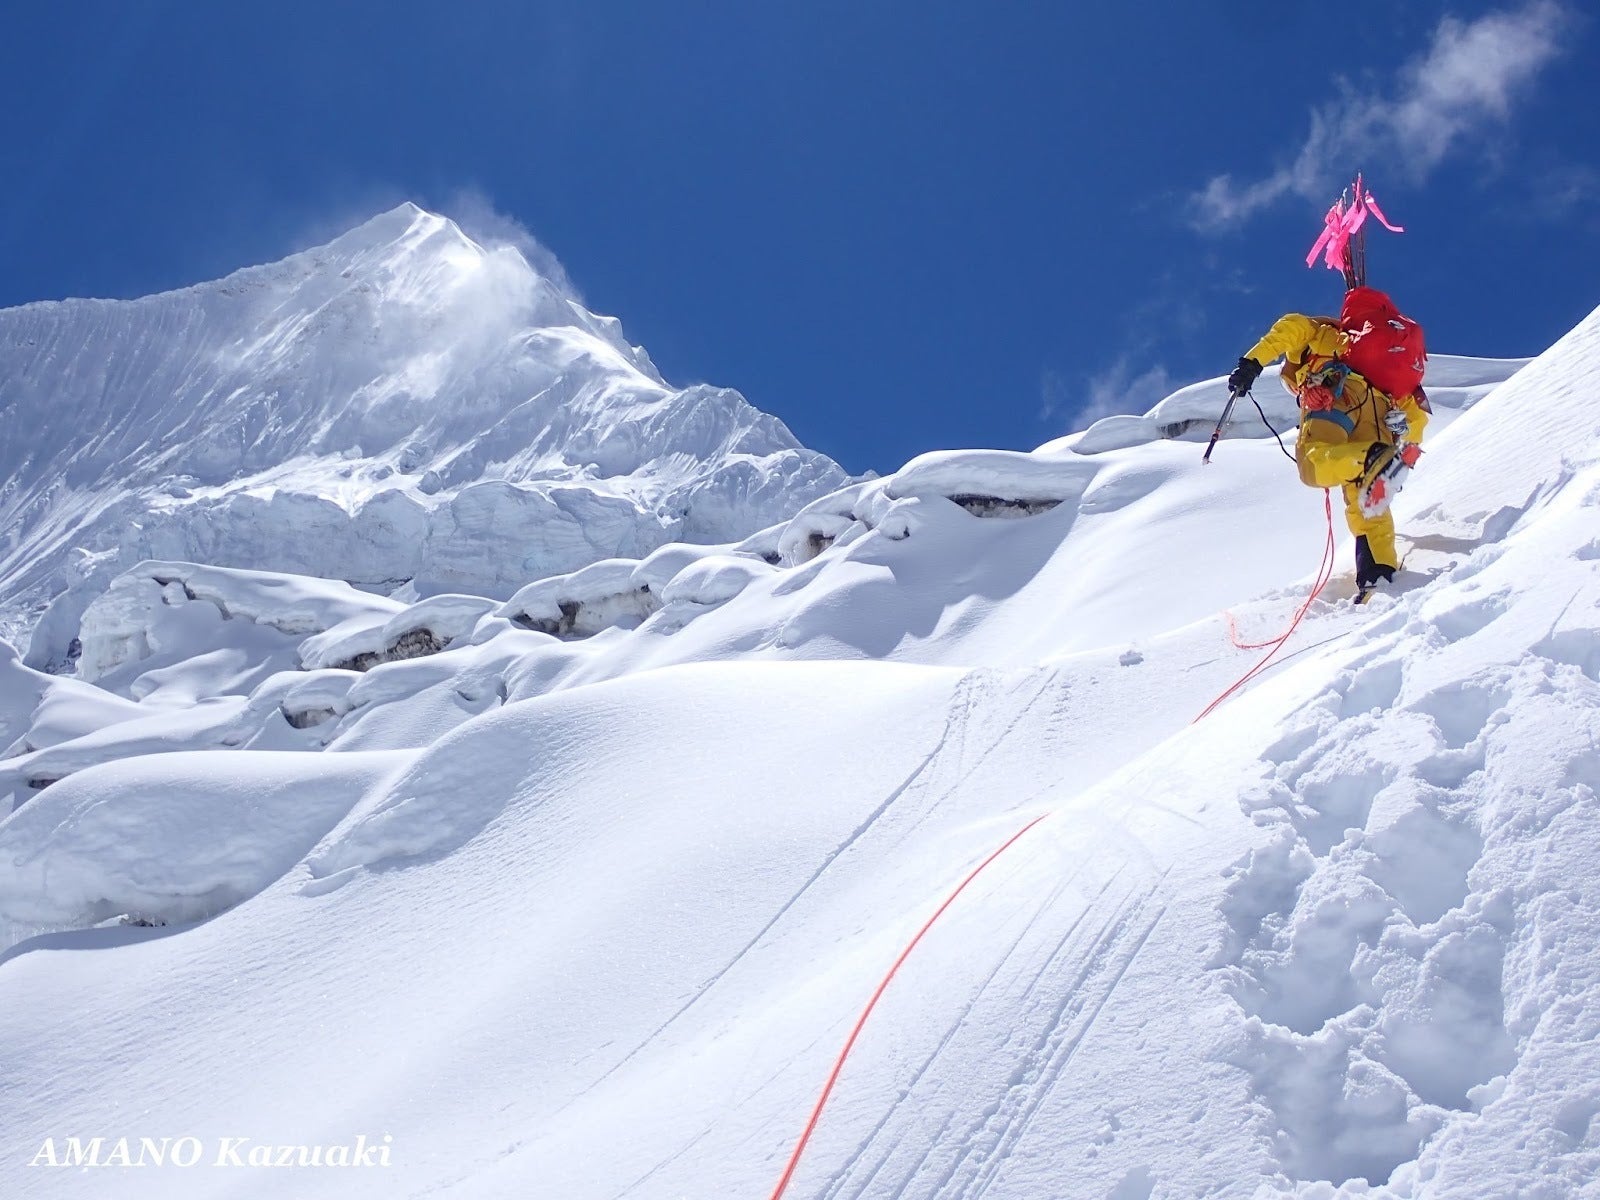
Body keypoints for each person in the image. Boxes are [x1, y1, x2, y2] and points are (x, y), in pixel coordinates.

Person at [1227, 301, 1429, 597]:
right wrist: (1404, 440)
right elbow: (1417, 418)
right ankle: (1378, 573)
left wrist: (1252, 362)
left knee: (1313, 463)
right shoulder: (1380, 364)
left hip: (1334, 394)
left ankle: (1371, 457)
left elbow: (1290, 326)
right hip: (1381, 416)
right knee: (1367, 497)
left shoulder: (1319, 334)